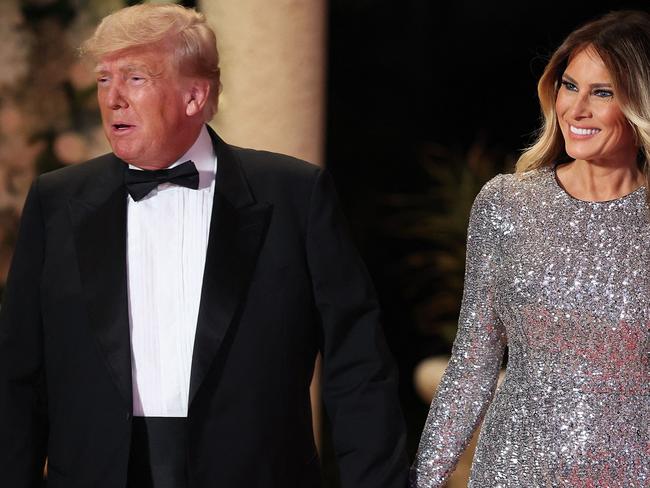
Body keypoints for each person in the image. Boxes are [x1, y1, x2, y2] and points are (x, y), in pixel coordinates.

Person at [0, 4, 409, 488]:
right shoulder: (57, 201)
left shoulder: (293, 195)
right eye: (104, 79)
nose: (112, 99)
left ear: (195, 96)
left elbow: (357, 364)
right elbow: (18, 377)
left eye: (134, 78)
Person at [410, 10, 649, 487]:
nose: (576, 109)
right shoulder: (507, 203)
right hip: (513, 469)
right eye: (569, 85)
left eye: (602, 92)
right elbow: (473, 364)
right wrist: (426, 478)